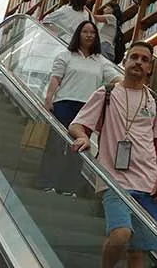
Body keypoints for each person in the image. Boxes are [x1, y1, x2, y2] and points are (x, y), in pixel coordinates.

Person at [69, 41, 157, 268]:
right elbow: (77, 124)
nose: (139, 62)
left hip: (148, 184)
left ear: (150, 68)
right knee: (121, 234)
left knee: (140, 253)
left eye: (145, 59)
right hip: (114, 179)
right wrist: (82, 138)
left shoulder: (156, 102)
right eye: (134, 57)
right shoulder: (108, 93)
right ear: (125, 62)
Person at [39, 21, 122, 194]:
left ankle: (68, 187)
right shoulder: (66, 55)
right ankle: (46, 182)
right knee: (55, 143)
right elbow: (56, 78)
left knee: (78, 147)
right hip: (63, 103)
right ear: (79, 34)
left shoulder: (101, 61)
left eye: (92, 32)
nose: (89, 35)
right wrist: (48, 99)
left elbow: (116, 80)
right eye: (85, 31)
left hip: (87, 110)